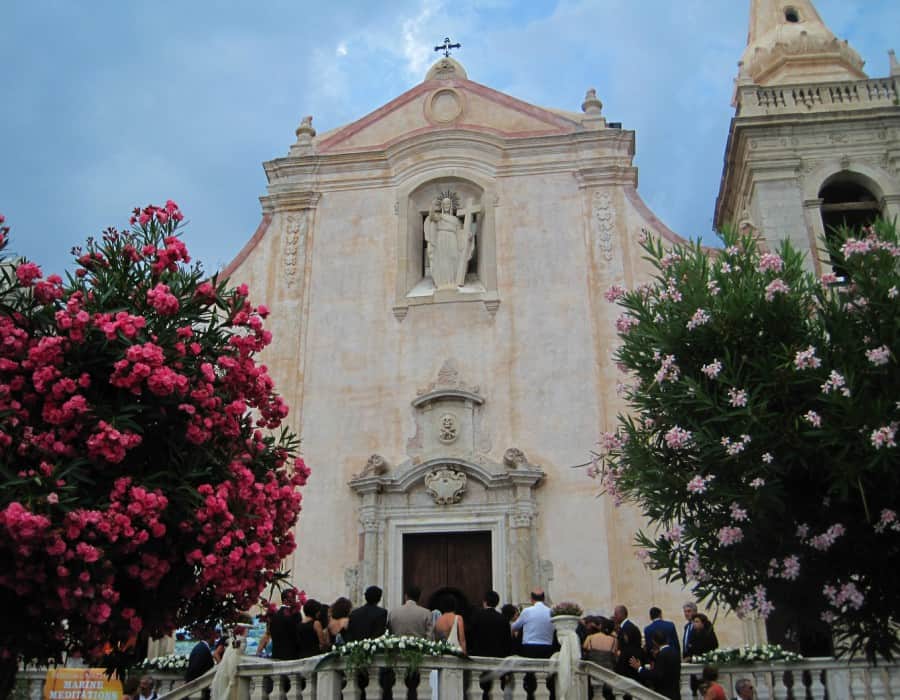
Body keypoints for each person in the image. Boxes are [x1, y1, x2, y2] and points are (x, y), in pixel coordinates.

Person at [629, 629, 681, 700]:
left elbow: (657, 675)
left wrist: (639, 668)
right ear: (667, 639)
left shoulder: (661, 655)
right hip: (676, 693)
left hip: (664, 694)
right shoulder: (675, 652)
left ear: (654, 642)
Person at [511, 589, 554, 658]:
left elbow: (514, 627)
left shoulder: (527, 611)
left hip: (529, 647)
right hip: (547, 647)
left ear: (531, 599)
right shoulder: (551, 612)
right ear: (544, 599)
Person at [468, 590, 512, 657]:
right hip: (498, 655)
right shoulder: (503, 619)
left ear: (485, 602)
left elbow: (470, 635)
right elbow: (507, 640)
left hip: (479, 654)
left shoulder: (476, 617)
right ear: (497, 603)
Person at [262, 591, 303, 660]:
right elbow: (298, 634)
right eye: (293, 598)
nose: (295, 601)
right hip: (292, 654)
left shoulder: (274, 615)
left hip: (276, 653)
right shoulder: (295, 614)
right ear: (285, 600)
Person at [613, 605, 643, 680]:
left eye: (616, 614)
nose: (614, 616)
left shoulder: (627, 628)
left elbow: (627, 647)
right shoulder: (627, 627)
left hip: (628, 665)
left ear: (621, 614)